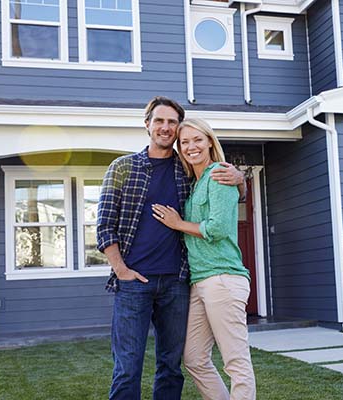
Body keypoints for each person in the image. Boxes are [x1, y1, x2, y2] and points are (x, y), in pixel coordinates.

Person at [96, 97, 245, 400]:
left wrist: (240, 180)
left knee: (170, 365)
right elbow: (104, 225)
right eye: (159, 121)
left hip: (177, 283)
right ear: (147, 124)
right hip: (134, 282)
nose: (165, 127)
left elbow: (220, 194)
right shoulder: (122, 168)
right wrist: (121, 270)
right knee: (127, 367)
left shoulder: (187, 168)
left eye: (172, 122)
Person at [152, 118, 256, 400]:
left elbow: (219, 228)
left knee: (235, 360)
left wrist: (178, 224)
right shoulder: (195, 183)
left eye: (197, 140)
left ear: (210, 141)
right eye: (184, 142)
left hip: (222, 278)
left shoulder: (218, 174)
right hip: (199, 281)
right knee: (195, 358)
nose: (190, 147)